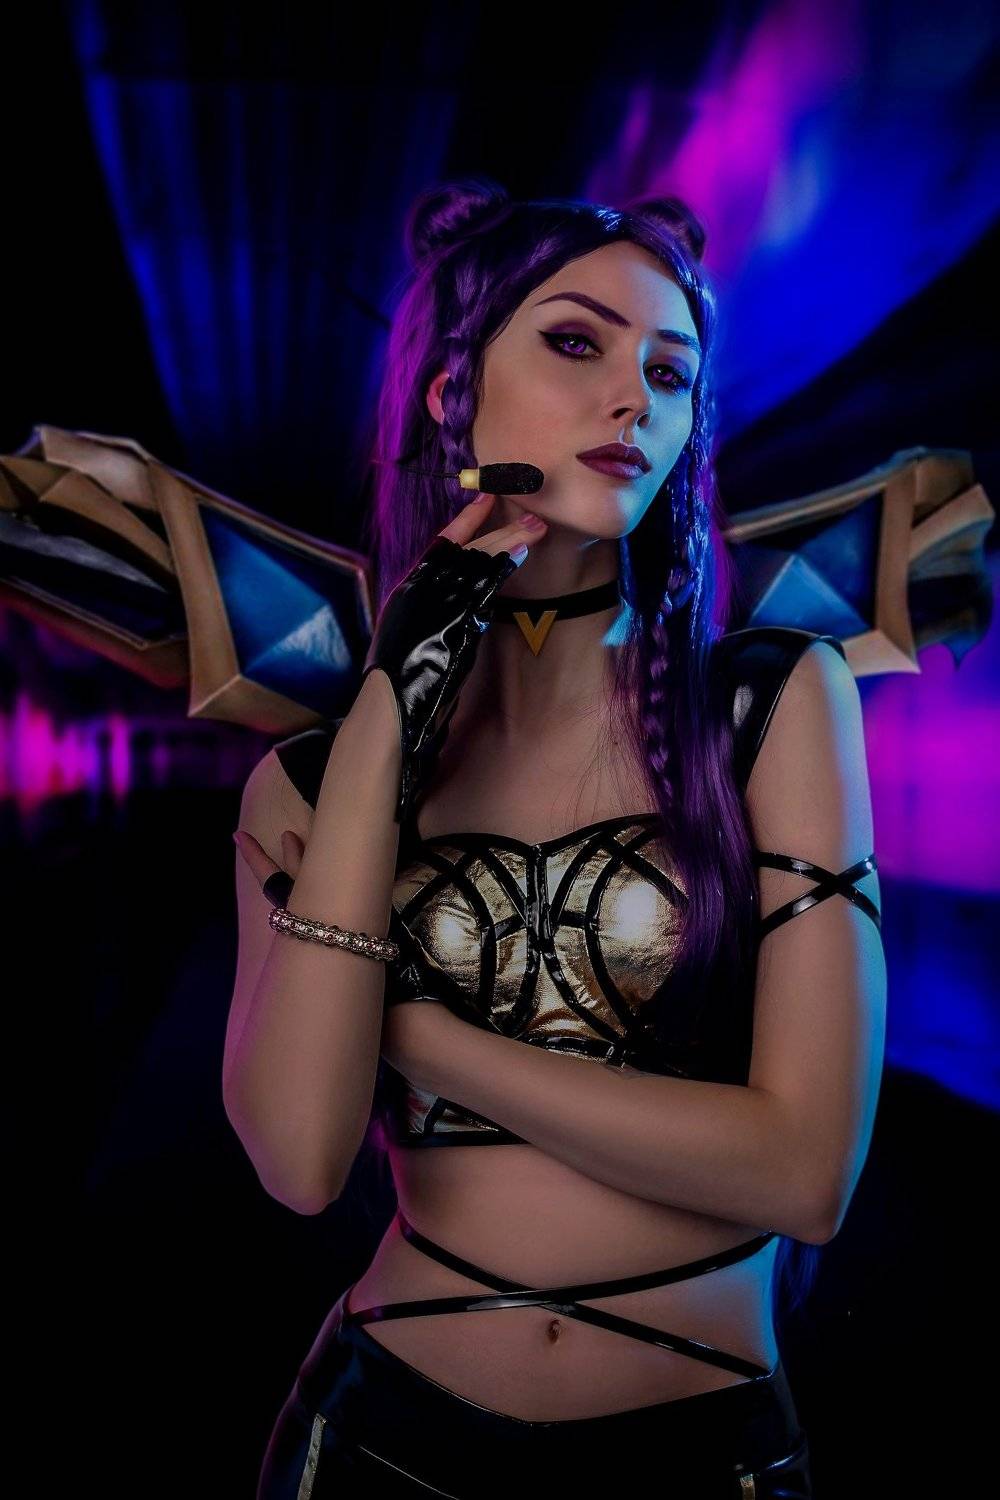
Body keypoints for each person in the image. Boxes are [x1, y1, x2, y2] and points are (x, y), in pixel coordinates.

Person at [226, 179, 886, 1498]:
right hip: (374, 1442)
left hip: (699, 1455)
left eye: (670, 372)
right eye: (578, 343)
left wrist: (407, 1030)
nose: (633, 398)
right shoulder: (306, 780)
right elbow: (299, 1161)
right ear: (452, 393)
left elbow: (805, 1173)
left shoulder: (769, 705)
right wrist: (386, 714)